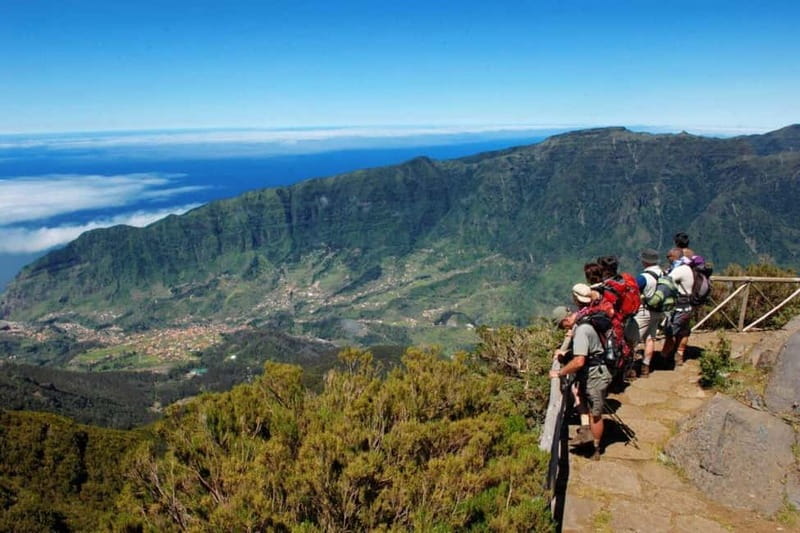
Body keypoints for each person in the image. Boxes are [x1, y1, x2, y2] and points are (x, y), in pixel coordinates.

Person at [550, 283, 613, 460]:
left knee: (596, 414)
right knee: (578, 394)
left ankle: (595, 449)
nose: (564, 330)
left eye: (561, 326)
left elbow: (579, 361)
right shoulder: (581, 324)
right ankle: (586, 432)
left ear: (565, 320)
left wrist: (560, 373)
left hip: (596, 374)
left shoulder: (581, 330)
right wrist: (565, 354)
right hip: (592, 371)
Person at [661, 247, 694, 366]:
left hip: (678, 307)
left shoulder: (678, 270)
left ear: (674, 257)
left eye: (668, 256)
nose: (667, 259)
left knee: (670, 333)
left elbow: (666, 282)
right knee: (684, 332)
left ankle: (663, 357)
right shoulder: (687, 268)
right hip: (687, 306)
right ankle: (679, 355)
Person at [634, 248, 664, 377]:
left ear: (645, 261)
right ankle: (645, 367)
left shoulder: (644, 277)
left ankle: (629, 369)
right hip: (659, 311)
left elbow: (632, 291)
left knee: (632, 340)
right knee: (650, 339)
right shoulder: (664, 273)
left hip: (644, 312)